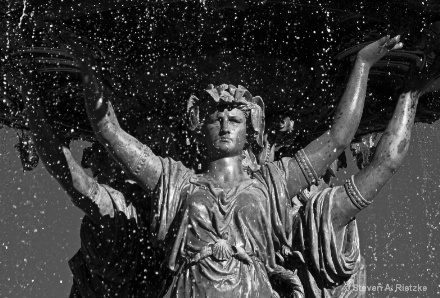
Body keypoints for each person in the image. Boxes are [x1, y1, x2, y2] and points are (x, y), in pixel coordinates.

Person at [65, 35, 411, 297]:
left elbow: (337, 139)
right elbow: (109, 133)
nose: (227, 126)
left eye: (236, 118)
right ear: (200, 126)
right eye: (217, 118)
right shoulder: (176, 181)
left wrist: (363, 65)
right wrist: (86, 67)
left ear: (252, 129)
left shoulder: (272, 182)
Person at [4, 69, 161, 297]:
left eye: (100, 155)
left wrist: (32, 101)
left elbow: (63, 169)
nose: (92, 165)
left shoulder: (116, 214)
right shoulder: (154, 210)